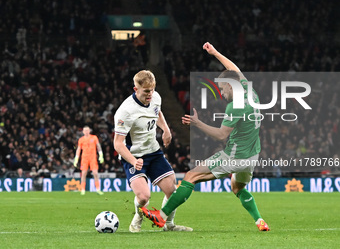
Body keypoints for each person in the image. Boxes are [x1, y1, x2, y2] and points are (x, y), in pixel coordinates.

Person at [141, 42, 270, 231]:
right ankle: (259, 220)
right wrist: (215, 52)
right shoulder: (251, 93)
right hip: (252, 156)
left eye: (223, 88)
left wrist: (197, 123)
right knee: (237, 188)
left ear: (230, 85)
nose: (221, 92)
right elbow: (234, 69)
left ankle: (161, 216)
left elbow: (221, 135)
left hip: (235, 155)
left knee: (191, 176)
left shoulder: (235, 106)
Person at [114, 70, 192, 233]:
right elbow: (118, 144)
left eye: (153, 89)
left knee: (173, 192)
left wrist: (165, 129)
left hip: (153, 152)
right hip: (133, 155)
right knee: (143, 197)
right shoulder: (126, 111)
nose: (151, 94)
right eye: (146, 91)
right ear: (136, 89)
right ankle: (138, 217)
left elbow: (157, 112)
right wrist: (134, 161)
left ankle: (168, 224)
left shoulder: (156, 97)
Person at [73, 126, 104, 195]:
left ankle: (98, 189)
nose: (86, 132)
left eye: (87, 130)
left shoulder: (94, 137)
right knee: (83, 174)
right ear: (83, 132)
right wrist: (76, 158)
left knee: (95, 173)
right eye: (85, 130)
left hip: (93, 157)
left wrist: (101, 155)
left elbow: (98, 146)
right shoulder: (81, 139)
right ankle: (83, 189)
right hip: (84, 158)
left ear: (89, 131)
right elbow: (78, 149)